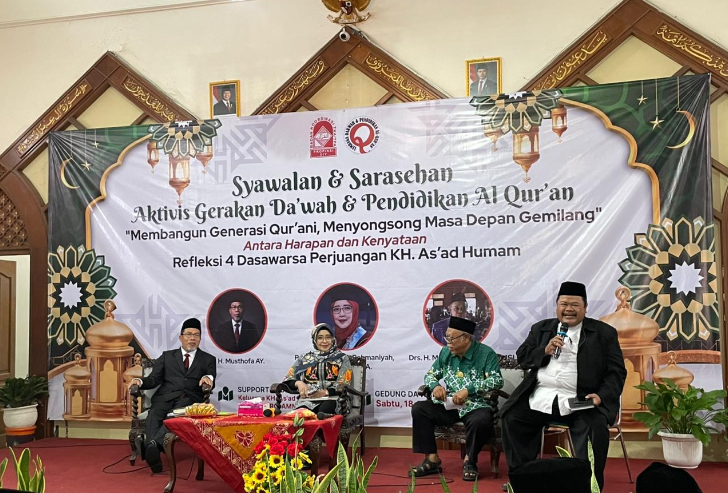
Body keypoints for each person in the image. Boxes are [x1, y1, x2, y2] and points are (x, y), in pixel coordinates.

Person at [500, 281, 627, 491]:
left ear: (585, 308)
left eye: (575, 305)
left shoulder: (603, 333)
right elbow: (523, 357)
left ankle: (588, 485)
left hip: (581, 400)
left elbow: (617, 372)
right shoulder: (541, 329)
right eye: (564, 304)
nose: (569, 309)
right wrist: (544, 350)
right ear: (557, 306)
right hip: (542, 397)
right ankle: (523, 480)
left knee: (594, 428)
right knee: (512, 418)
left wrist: (601, 396)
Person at [410, 316, 503, 482]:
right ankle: (432, 459)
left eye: (452, 338)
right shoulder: (446, 352)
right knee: (420, 409)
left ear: (466, 338)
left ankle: (470, 461)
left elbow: (497, 380)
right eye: (447, 338)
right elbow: (430, 375)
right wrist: (435, 387)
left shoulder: (486, 354)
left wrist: (469, 390)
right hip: (450, 404)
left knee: (481, 418)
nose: (448, 343)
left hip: (475, 404)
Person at [130, 318, 216, 473]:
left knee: (174, 417)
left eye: (196, 335)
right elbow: (154, 379)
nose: (192, 338)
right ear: (180, 337)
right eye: (188, 334)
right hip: (164, 397)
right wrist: (140, 381)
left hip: (189, 399)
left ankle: (151, 446)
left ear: (200, 339)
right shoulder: (167, 356)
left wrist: (207, 378)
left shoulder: (208, 359)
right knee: (154, 414)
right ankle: (153, 449)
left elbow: (210, 376)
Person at [282, 323, 353, 414]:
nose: (324, 341)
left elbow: (343, 383)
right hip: (308, 400)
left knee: (323, 412)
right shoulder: (305, 358)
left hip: (335, 399)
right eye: (320, 338)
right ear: (314, 340)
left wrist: (324, 392)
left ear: (333, 339)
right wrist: (298, 383)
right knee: (301, 414)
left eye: (328, 337)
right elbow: (288, 380)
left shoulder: (341, 358)